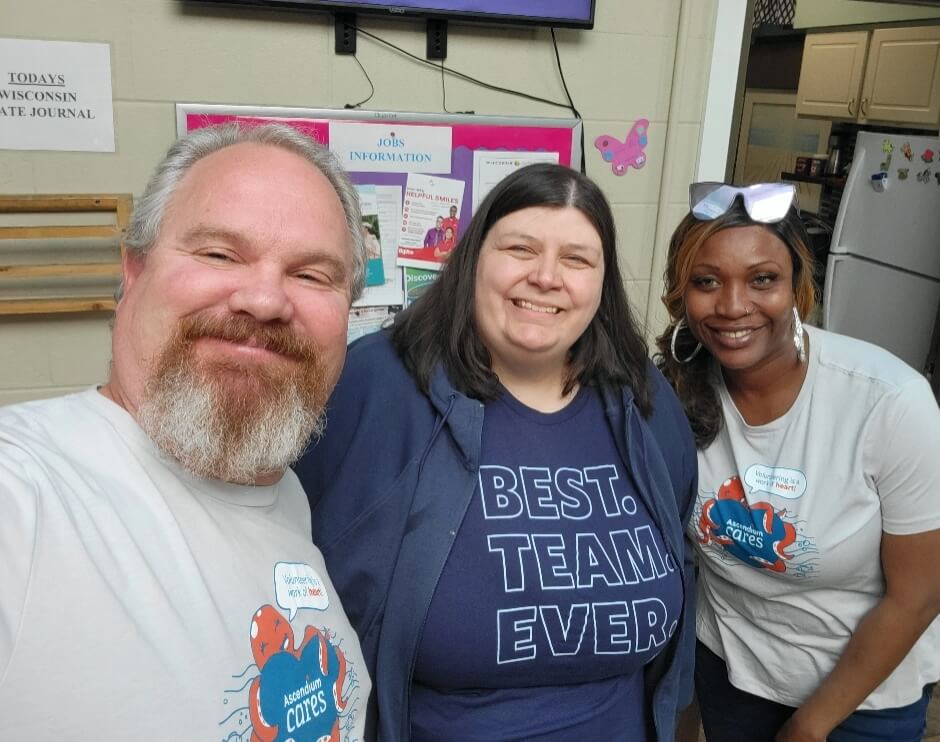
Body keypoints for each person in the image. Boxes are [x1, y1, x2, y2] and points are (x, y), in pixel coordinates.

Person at [295, 163, 698, 741]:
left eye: (578, 259)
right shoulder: (377, 385)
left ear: (603, 283)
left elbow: (679, 561)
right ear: (473, 260)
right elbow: (286, 547)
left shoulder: (644, 401)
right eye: (520, 248)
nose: (546, 277)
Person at [0, 122, 372, 740]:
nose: (264, 299)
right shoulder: (26, 497)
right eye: (220, 254)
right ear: (132, 272)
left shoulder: (279, 491)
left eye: (311, 274)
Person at [655, 181, 940, 742]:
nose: (733, 306)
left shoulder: (890, 402)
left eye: (763, 279)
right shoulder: (670, 393)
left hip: (865, 694)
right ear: (680, 295)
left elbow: (921, 593)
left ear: (799, 287)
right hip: (733, 673)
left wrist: (809, 727)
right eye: (706, 282)